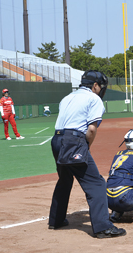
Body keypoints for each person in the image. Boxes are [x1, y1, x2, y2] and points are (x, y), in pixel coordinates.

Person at [48, 70, 126, 239]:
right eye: (101, 86)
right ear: (95, 86)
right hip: (73, 141)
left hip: (56, 140)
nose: (101, 90)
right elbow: (91, 129)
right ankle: (103, 227)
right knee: (96, 183)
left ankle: (56, 220)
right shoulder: (93, 98)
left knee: (65, 179)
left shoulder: (67, 97)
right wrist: (86, 147)